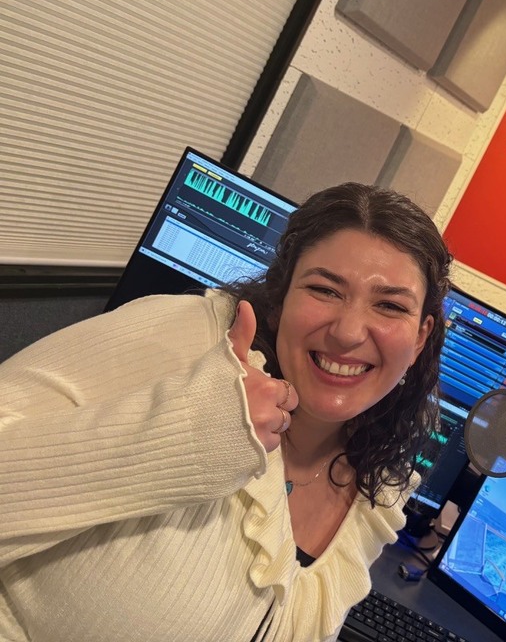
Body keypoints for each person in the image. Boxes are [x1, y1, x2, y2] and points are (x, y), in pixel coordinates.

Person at [0, 182, 453, 642]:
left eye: (390, 305)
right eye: (325, 290)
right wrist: (189, 433)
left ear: (419, 338)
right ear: (279, 302)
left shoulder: (379, 491)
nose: (350, 331)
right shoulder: (190, 337)